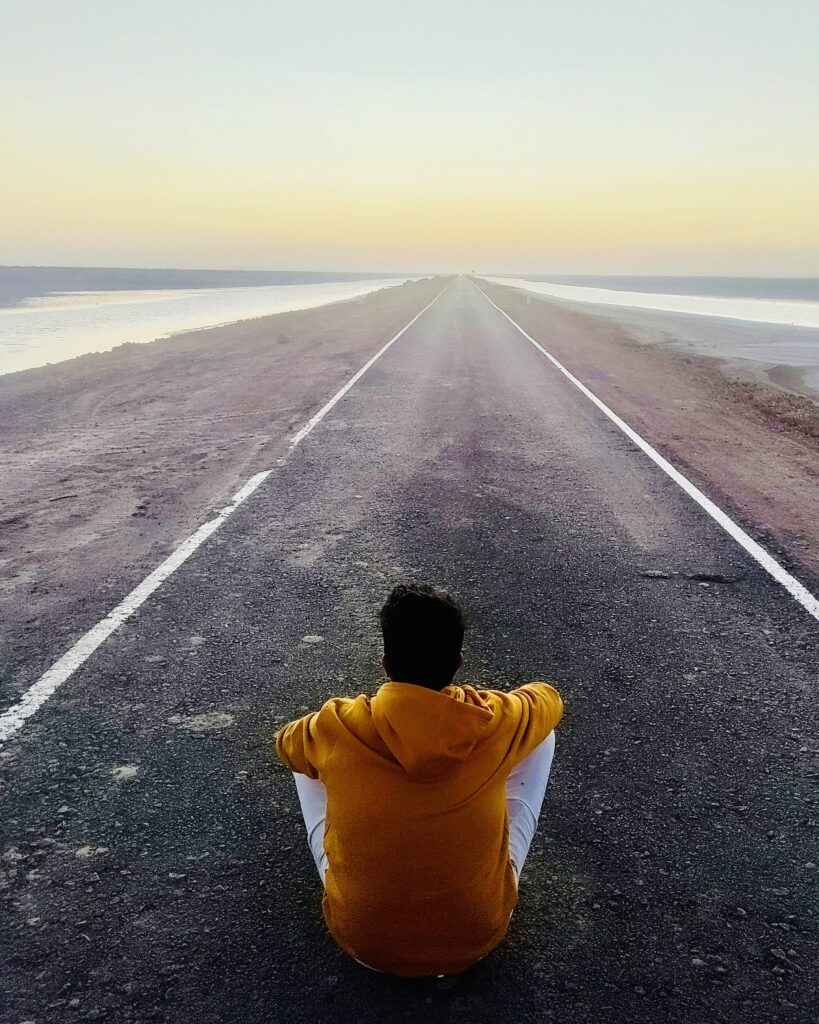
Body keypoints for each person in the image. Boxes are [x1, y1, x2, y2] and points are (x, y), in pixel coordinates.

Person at [275, 582, 564, 977]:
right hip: (476, 937)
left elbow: (285, 742)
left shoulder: (337, 725)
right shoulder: (494, 719)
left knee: (308, 756)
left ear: (385, 665)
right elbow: (549, 698)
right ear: (459, 663)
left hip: (364, 942)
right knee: (540, 734)